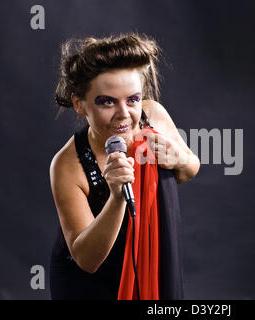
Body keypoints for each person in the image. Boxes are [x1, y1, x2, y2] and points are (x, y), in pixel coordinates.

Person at [49, 33, 200, 300]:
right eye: (107, 101)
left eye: (132, 99)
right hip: (89, 284)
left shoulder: (154, 114)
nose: (124, 113)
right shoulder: (67, 165)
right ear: (79, 104)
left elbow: (190, 169)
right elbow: (86, 259)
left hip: (148, 264)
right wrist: (117, 198)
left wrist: (179, 158)